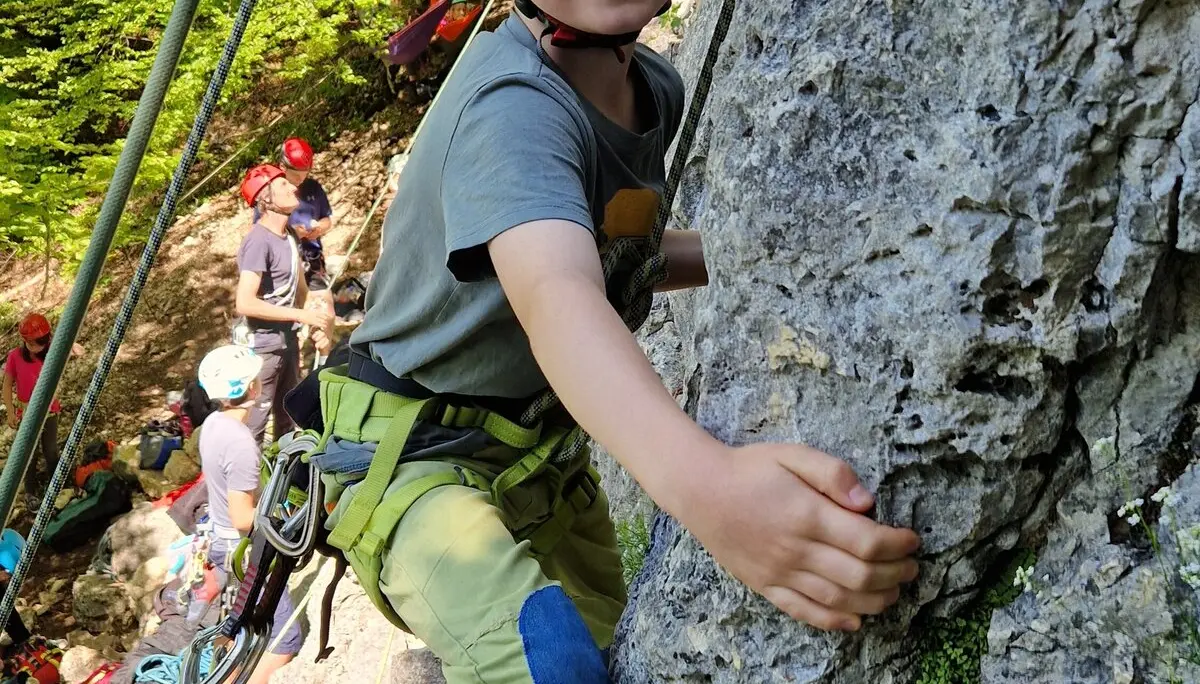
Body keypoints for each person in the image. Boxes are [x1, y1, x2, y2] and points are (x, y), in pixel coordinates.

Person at [299, 2, 921, 681]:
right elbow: (557, 296)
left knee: (627, 656)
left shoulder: (652, 89)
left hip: (540, 459)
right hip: (414, 462)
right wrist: (706, 485)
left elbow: (611, 256)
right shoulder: (510, 109)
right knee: (560, 668)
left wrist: (761, 253)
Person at [195, 345, 302, 683]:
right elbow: (243, 518)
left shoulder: (212, 424)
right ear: (253, 387)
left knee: (238, 623)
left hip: (220, 541)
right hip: (243, 551)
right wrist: (286, 517)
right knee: (286, 639)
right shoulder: (241, 442)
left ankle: (221, 670)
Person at [235, 164, 333, 444]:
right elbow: (244, 302)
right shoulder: (257, 241)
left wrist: (315, 317)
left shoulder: (289, 235)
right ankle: (249, 486)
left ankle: (283, 482)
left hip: (287, 341)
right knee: (255, 423)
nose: (293, 187)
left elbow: (301, 289)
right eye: (282, 186)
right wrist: (300, 314)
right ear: (265, 199)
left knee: (288, 418)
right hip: (263, 348)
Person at [3, 313, 83, 509]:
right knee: (29, 454)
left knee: (50, 450)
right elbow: (6, 385)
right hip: (25, 413)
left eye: (40, 342)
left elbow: (80, 351)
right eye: (32, 343)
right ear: (25, 341)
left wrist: (60, 342)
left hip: (49, 412)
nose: (36, 347)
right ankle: (30, 492)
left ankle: (57, 486)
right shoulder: (14, 356)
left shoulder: (52, 355)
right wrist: (11, 412)